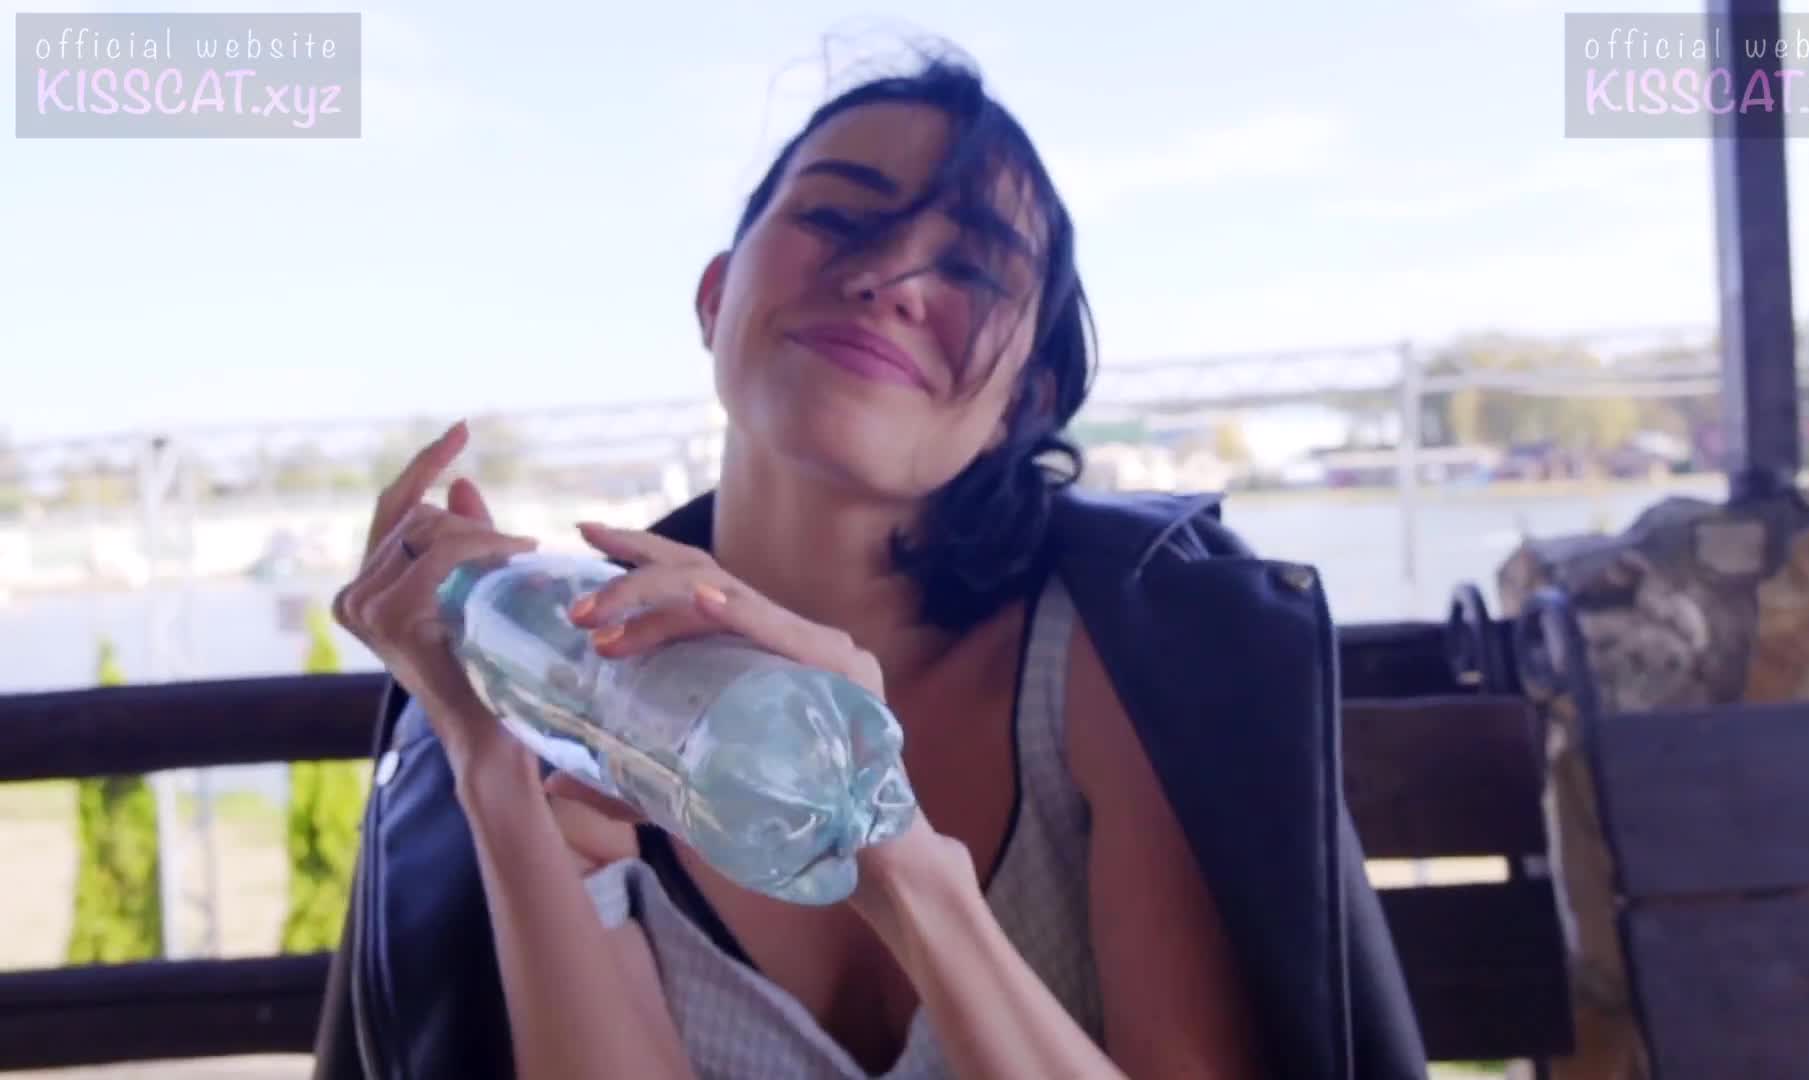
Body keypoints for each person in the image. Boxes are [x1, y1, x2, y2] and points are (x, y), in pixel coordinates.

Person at [328, 49, 1422, 1080]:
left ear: (1026, 399)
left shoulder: (1125, 648)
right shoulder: (586, 675)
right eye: (837, 216)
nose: (890, 275)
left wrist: (896, 856)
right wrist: (486, 763)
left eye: (973, 267)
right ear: (714, 298)